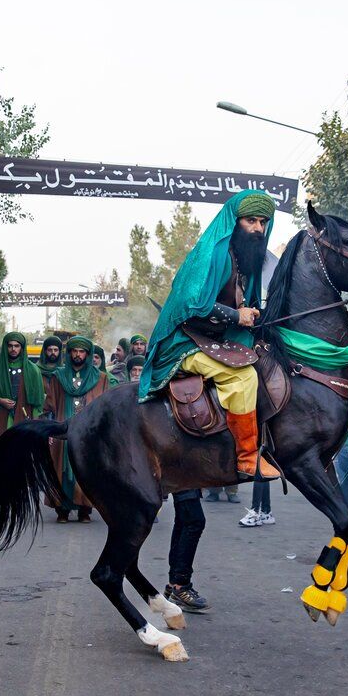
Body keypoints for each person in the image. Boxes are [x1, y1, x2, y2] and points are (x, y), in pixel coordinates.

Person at [139, 190, 279, 480]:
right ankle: (247, 458)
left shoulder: (246, 258)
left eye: (264, 222)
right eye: (251, 220)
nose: (258, 229)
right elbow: (192, 306)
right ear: (234, 220)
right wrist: (236, 315)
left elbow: (243, 304)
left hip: (216, 340)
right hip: (184, 342)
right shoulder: (211, 253)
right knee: (242, 377)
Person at [44, 336, 109, 523]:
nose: (78, 354)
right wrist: (50, 430)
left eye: (82, 351)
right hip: (62, 429)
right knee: (61, 470)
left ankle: (84, 509)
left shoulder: (100, 378)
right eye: (74, 351)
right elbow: (49, 406)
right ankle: (62, 509)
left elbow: (105, 407)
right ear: (69, 353)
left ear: (87, 354)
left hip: (89, 431)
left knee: (87, 468)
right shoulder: (58, 376)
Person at [0, 332, 45, 467]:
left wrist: (35, 423)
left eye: (17, 346)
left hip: (24, 417)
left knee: (23, 453)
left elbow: (38, 400)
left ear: (22, 348)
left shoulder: (33, 370)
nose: (13, 349)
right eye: (10, 346)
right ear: (5, 347)